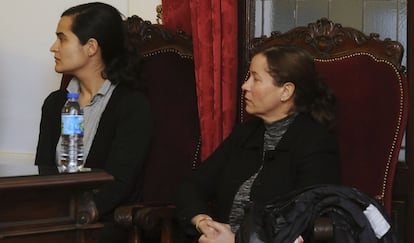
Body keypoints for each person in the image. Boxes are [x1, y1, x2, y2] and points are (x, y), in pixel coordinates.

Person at [175, 45, 340, 243]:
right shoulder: (244, 134)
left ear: (286, 91)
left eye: (256, 78)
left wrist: (236, 241)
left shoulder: (316, 143)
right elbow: (191, 186)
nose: (245, 86)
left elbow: (302, 219)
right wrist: (203, 222)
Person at [34, 2, 153, 242]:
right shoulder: (55, 103)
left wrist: (75, 216)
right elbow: (43, 170)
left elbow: (119, 183)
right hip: (55, 219)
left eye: (62, 39)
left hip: (102, 223)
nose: (53, 47)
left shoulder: (131, 105)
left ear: (90, 47)